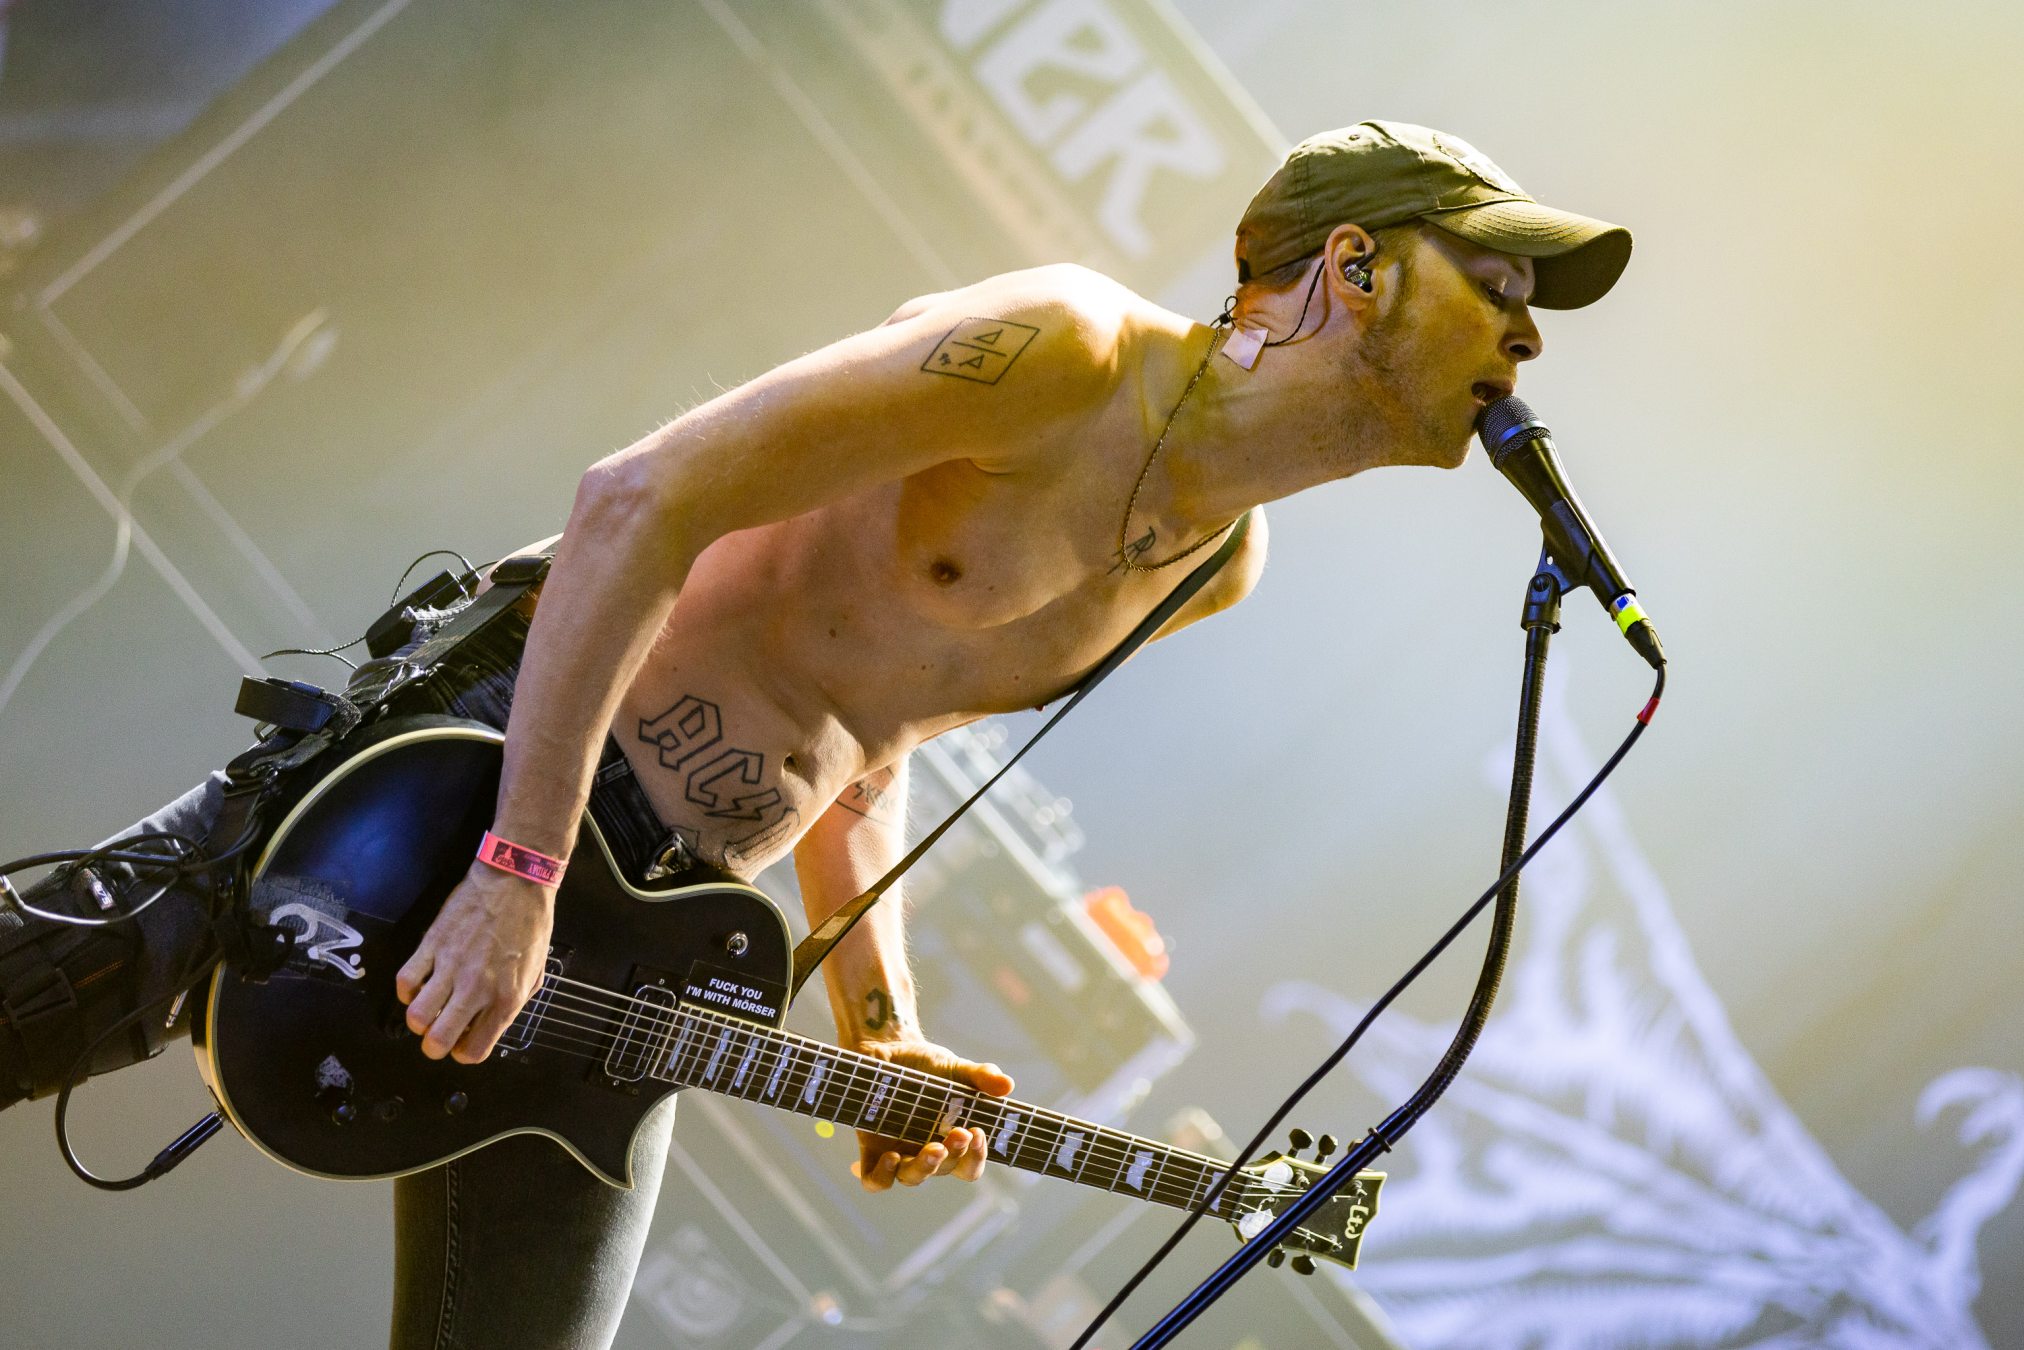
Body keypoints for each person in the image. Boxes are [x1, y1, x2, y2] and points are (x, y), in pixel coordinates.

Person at [0, 120, 1630, 1348]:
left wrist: (881, 1020)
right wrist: (520, 861)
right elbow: (637, 503)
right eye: (1498, 286)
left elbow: (877, 724)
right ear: (1352, 266)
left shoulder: (1219, 565)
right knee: (54, 993)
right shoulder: (1068, 351)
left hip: (650, 928)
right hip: (496, 771)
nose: (1530, 335)